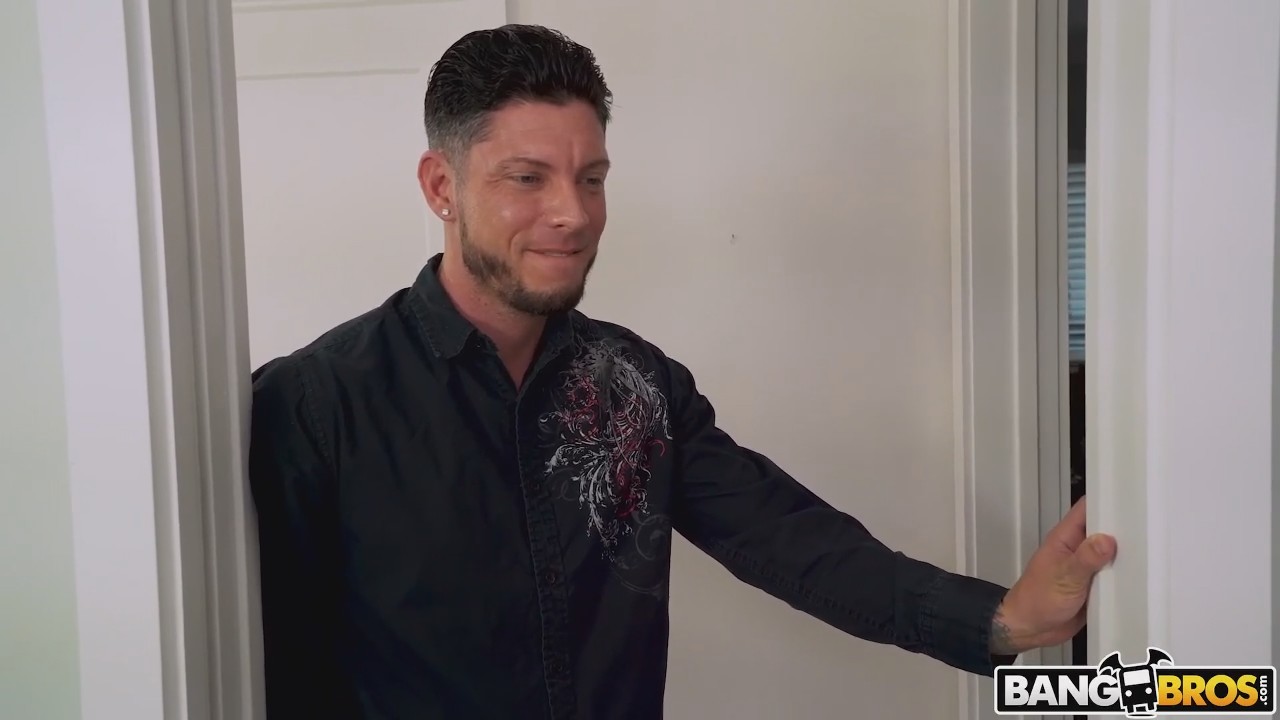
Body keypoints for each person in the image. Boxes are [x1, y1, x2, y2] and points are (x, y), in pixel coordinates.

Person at [247, 23, 1118, 720]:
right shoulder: (315, 403)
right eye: (528, 178)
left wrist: (1002, 619)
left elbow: (790, 540)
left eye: (592, 178)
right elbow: (272, 667)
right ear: (442, 186)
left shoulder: (637, 387)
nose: (572, 213)